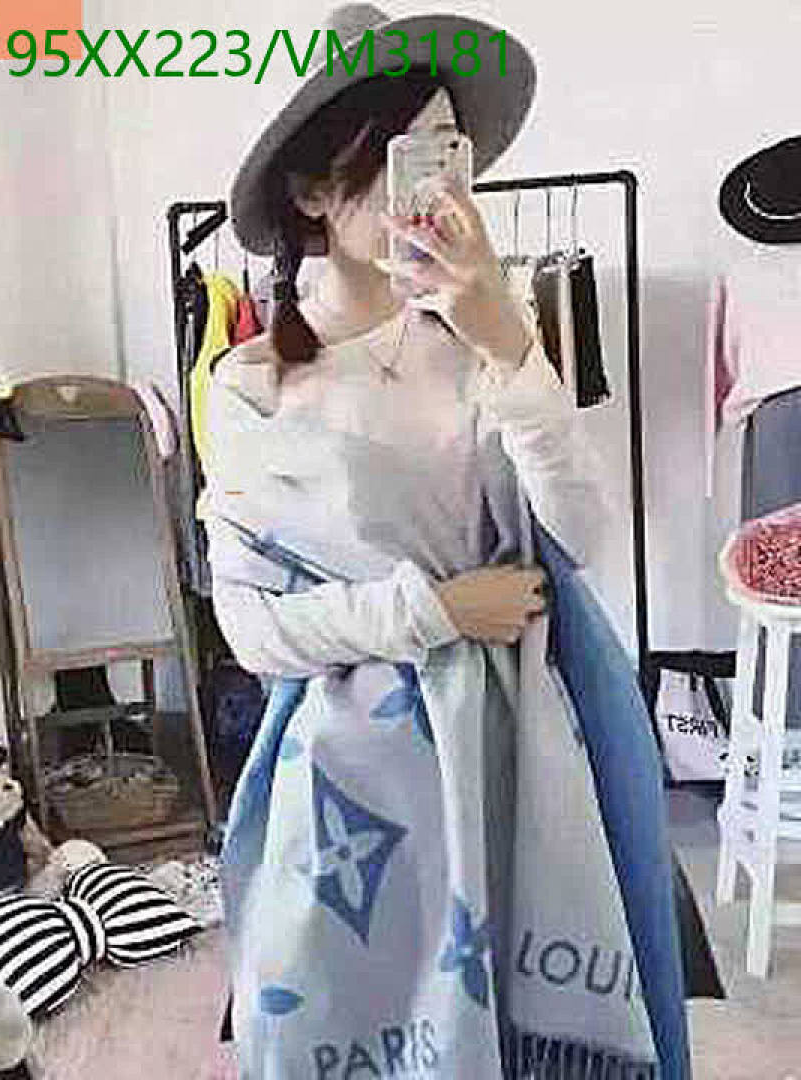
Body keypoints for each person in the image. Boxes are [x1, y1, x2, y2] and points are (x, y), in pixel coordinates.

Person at [198, 6, 658, 1078]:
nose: (439, 184)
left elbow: (583, 534)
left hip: (515, 738)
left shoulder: (486, 338)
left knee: (510, 1022)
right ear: (314, 191)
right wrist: (437, 610)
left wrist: (510, 347)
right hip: (355, 768)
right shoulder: (252, 383)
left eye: (450, 151)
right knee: (358, 1008)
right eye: (404, 154)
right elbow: (253, 630)